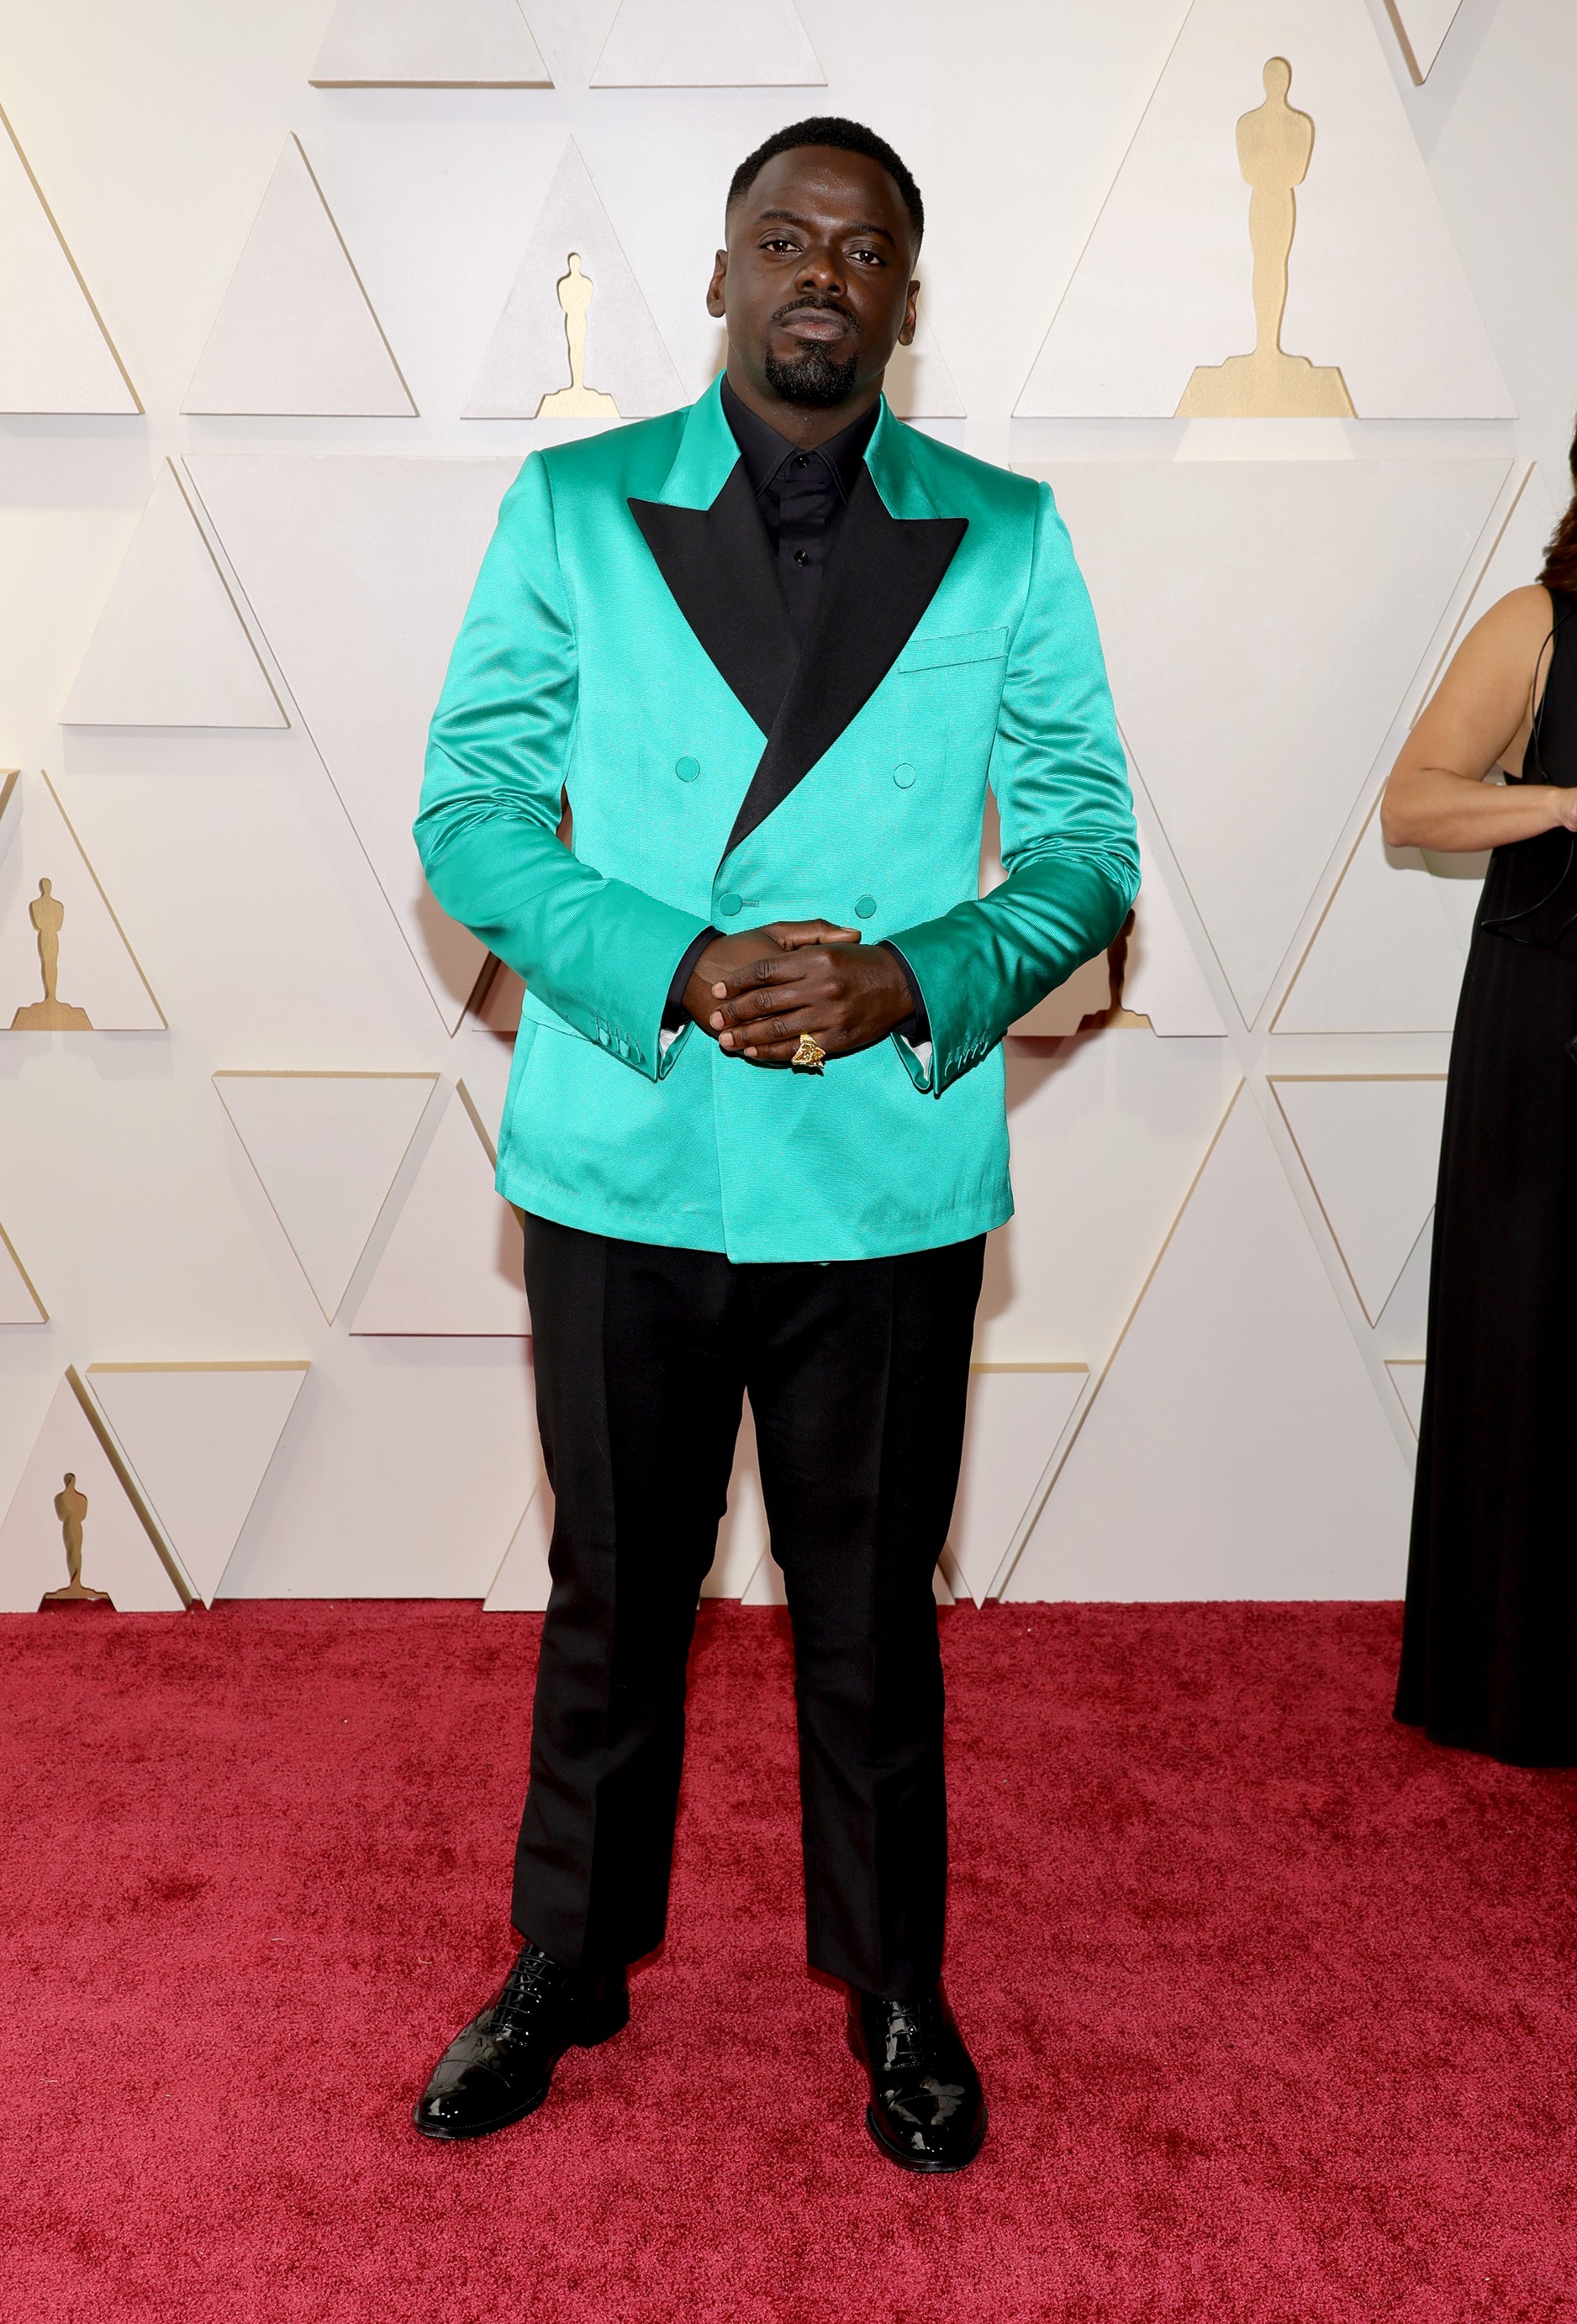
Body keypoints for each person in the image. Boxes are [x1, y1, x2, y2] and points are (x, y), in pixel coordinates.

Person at [411, 116, 1137, 2170]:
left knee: (869, 1605)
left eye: (864, 246)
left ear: (905, 299)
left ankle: (896, 1986)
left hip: (879, 1169)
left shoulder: (1004, 533)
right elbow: (469, 813)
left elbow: (1085, 845)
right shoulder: (572, 507)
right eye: (785, 237)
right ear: (721, 273)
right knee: (612, 1589)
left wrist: (912, 975)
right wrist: (673, 957)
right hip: (630, 1146)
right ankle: (568, 1959)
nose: (823, 271)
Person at [1384, 372, 1577, 1768]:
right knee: (1538, 1330)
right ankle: (1522, 1678)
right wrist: (1568, 803)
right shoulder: (1541, 624)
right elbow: (1411, 804)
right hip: (1556, 1014)